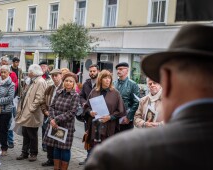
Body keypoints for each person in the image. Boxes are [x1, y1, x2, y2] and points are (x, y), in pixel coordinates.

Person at [84, 24, 213, 170]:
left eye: (157, 82)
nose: (152, 86)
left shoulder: (116, 155)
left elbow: (132, 103)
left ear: (168, 82)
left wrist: (127, 117)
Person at [84, 70, 126, 161]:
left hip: (109, 127)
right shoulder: (94, 92)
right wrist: (90, 112)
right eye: (105, 78)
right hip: (96, 126)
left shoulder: (115, 93)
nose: (108, 80)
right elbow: (86, 107)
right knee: (95, 151)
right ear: (100, 79)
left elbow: (121, 111)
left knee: (106, 152)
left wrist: (110, 117)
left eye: (109, 78)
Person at [43, 72, 80, 170]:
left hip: (66, 126)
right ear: (64, 82)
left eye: (71, 81)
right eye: (66, 81)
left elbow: (72, 112)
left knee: (65, 149)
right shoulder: (59, 92)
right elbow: (51, 107)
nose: (68, 83)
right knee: (56, 147)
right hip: (55, 125)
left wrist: (55, 119)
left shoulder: (75, 96)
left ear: (74, 83)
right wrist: (51, 119)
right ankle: (56, 168)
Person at [15, 64, 47, 162]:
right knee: (25, 132)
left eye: (29, 71)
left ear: (33, 72)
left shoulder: (40, 82)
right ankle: (24, 152)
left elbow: (39, 98)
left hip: (32, 113)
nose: (28, 73)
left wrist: (31, 109)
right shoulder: (32, 81)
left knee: (32, 134)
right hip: (27, 111)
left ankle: (33, 153)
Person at [40, 69, 63, 167]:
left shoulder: (65, 87)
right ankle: (50, 159)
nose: (54, 77)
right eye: (52, 76)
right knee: (49, 140)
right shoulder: (49, 88)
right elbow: (42, 101)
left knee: (58, 140)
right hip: (48, 117)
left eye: (56, 75)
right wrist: (45, 111)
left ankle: (58, 161)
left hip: (60, 118)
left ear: (61, 75)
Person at [79, 64, 99, 165]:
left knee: (96, 138)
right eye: (90, 71)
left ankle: (94, 159)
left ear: (98, 71)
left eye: (94, 71)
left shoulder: (101, 83)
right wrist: (83, 102)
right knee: (87, 137)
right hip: (87, 114)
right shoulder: (86, 83)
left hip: (98, 115)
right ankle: (88, 157)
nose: (92, 73)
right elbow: (81, 96)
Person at [113, 62, 139, 131]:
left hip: (126, 120)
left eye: (121, 69)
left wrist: (129, 117)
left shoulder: (133, 84)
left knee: (126, 140)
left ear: (127, 70)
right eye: (117, 69)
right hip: (114, 118)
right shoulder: (113, 83)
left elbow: (136, 102)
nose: (118, 71)